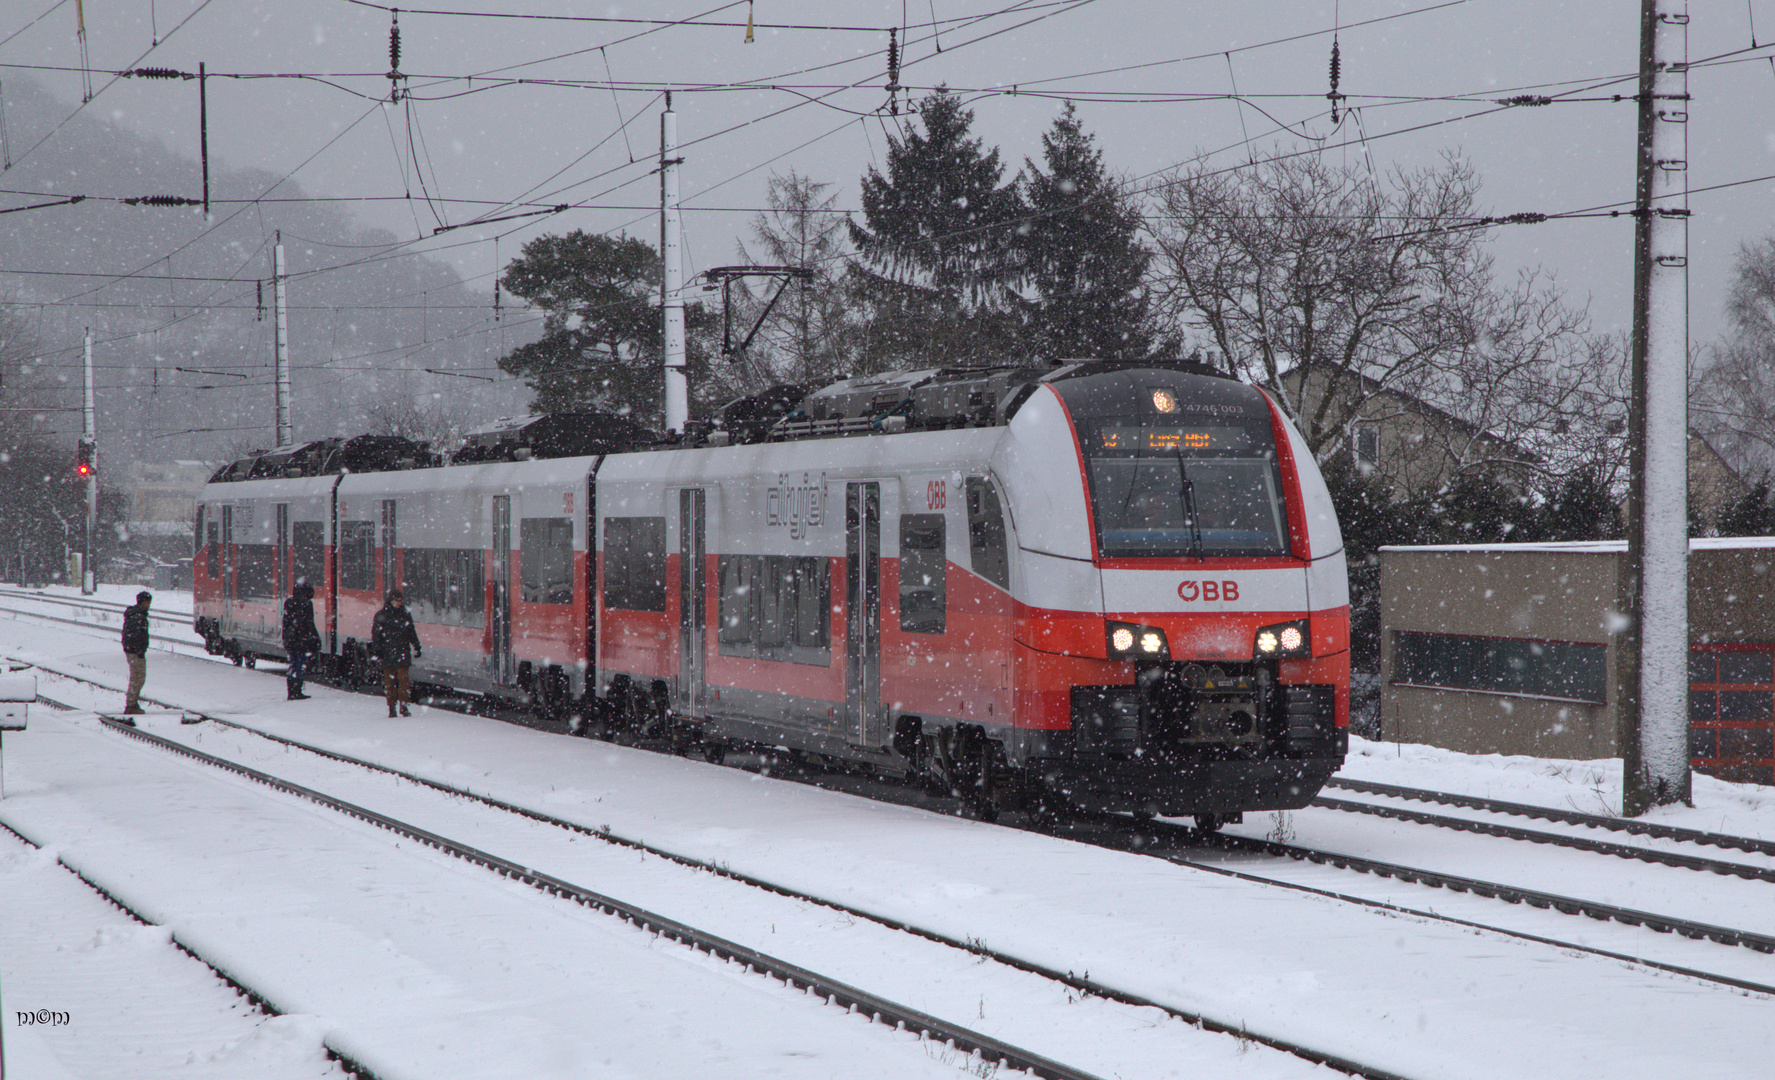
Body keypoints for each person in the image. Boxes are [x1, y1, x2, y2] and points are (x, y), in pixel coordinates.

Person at [370, 587, 421, 717]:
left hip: (401, 651)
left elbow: (411, 631)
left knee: (403, 680)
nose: (399, 603)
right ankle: (392, 707)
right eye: (397, 600)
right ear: (391, 600)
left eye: (401, 600)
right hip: (389, 652)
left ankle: (403, 705)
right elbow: (376, 636)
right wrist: (377, 650)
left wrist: (416, 645)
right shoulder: (383, 615)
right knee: (390, 682)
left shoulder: (401, 614)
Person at [281, 581, 322, 700]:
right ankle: (297, 690)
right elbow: (309, 623)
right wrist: (315, 638)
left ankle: (291, 690)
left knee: (293, 663)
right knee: (300, 664)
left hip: (291, 639)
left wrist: (286, 638)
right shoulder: (307, 603)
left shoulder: (288, 602)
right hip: (302, 639)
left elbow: (286, 622)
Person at [121, 590, 152, 714]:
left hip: (132, 650)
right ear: (144, 602)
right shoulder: (139, 616)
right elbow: (138, 636)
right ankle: (131, 704)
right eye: (148, 602)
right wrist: (140, 650)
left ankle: (132, 702)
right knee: (138, 677)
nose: (149, 605)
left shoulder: (135, 614)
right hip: (135, 652)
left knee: (137, 677)